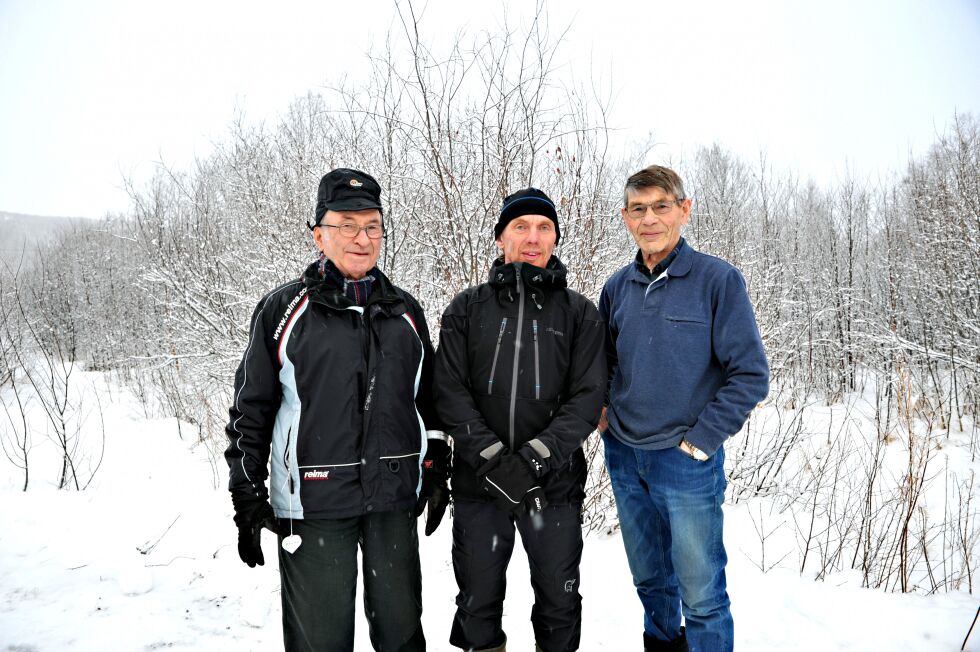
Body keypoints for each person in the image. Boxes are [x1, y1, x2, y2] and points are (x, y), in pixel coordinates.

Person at [224, 168, 450, 652]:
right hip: (313, 504)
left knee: (403, 635)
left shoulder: (405, 311)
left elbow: (428, 401)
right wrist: (245, 492)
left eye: (372, 226)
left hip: (392, 500)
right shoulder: (284, 311)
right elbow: (252, 409)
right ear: (319, 234)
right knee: (321, 642)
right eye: (346, 225)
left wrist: (435, 466)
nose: (361, 238)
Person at [598, 165, 769, 652]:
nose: (649, 218)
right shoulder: (616, 287)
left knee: (701, 594)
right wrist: (604, 410)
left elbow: (750, 373)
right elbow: (605, 362)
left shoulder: (717, 280)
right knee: (651, 583)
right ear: (626, 217)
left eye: (661, 206)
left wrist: (701, 441)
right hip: (626, 458)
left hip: (686, 461)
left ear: (684, 210)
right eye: (638, 209)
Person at [434, 188, 606, 652]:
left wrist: (534, 459)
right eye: (521, 226)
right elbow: (447, 391)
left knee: (559, 603)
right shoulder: (467, 309)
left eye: (544, 227)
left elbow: (588, 397)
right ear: (500, 238)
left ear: (554, 238)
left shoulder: (579, 314)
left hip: (553, 487)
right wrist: (492, 459)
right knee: (477, 601)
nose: (533, 237)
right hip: (480, 483)